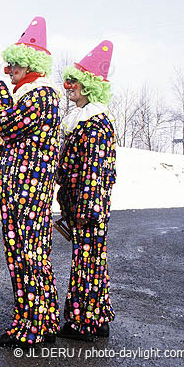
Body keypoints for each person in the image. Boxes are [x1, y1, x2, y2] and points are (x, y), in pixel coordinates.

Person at [0, 16, 60, 347]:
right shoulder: (30, 95)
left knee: (28, 255)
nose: (10, 69)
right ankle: (34, 321)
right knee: (22, 255)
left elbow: (7, 126)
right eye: (9, 64)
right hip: (19, 190)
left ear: (30, 64)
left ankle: (35, 327)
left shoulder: (40, 95)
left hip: (28, 192)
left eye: (15, 64)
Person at [56, 40, 116, 341]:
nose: (69, 87)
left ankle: (82, 324)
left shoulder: (95, 123)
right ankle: (99, 318)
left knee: (87, 264)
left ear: (89, 87)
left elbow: (96, 169)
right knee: (92, 261)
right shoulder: (83, 120)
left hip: (87, 208)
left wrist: (84, 209)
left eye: (74, 83)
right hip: (82, 204)